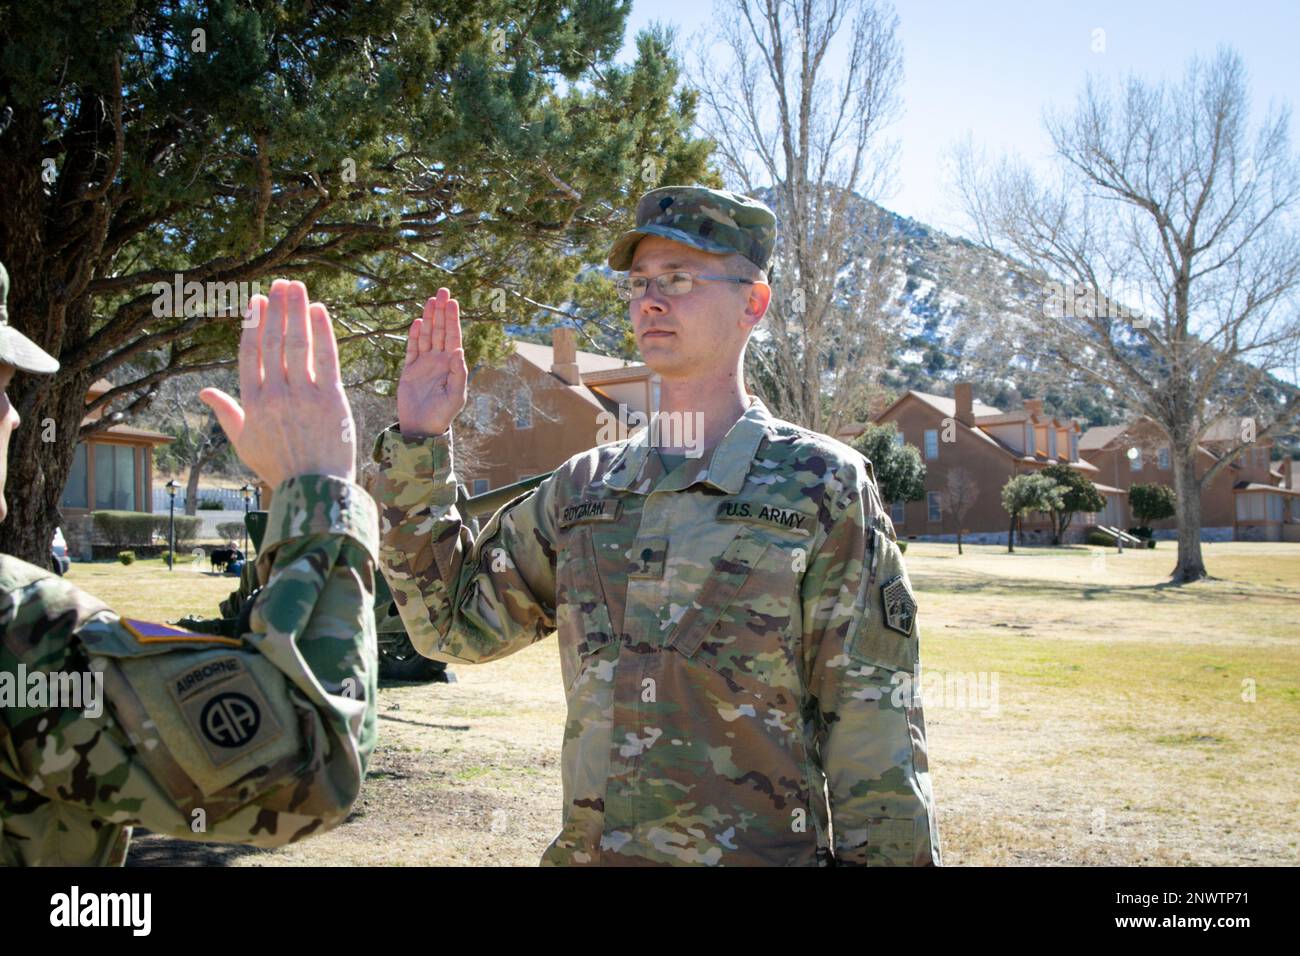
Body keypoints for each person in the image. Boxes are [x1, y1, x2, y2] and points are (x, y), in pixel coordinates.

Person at [371, 185, 941, 866]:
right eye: (639, 282)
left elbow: (873, 736)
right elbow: (452, 628)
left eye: (679, 278)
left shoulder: (820, 486)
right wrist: (418, 440)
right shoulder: (584, 490)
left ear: (752, 304)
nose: (650, 299)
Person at [0, 271, 379, 865]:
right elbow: (308, 767)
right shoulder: (19, 628)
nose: (13, 417)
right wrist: (318, 493)